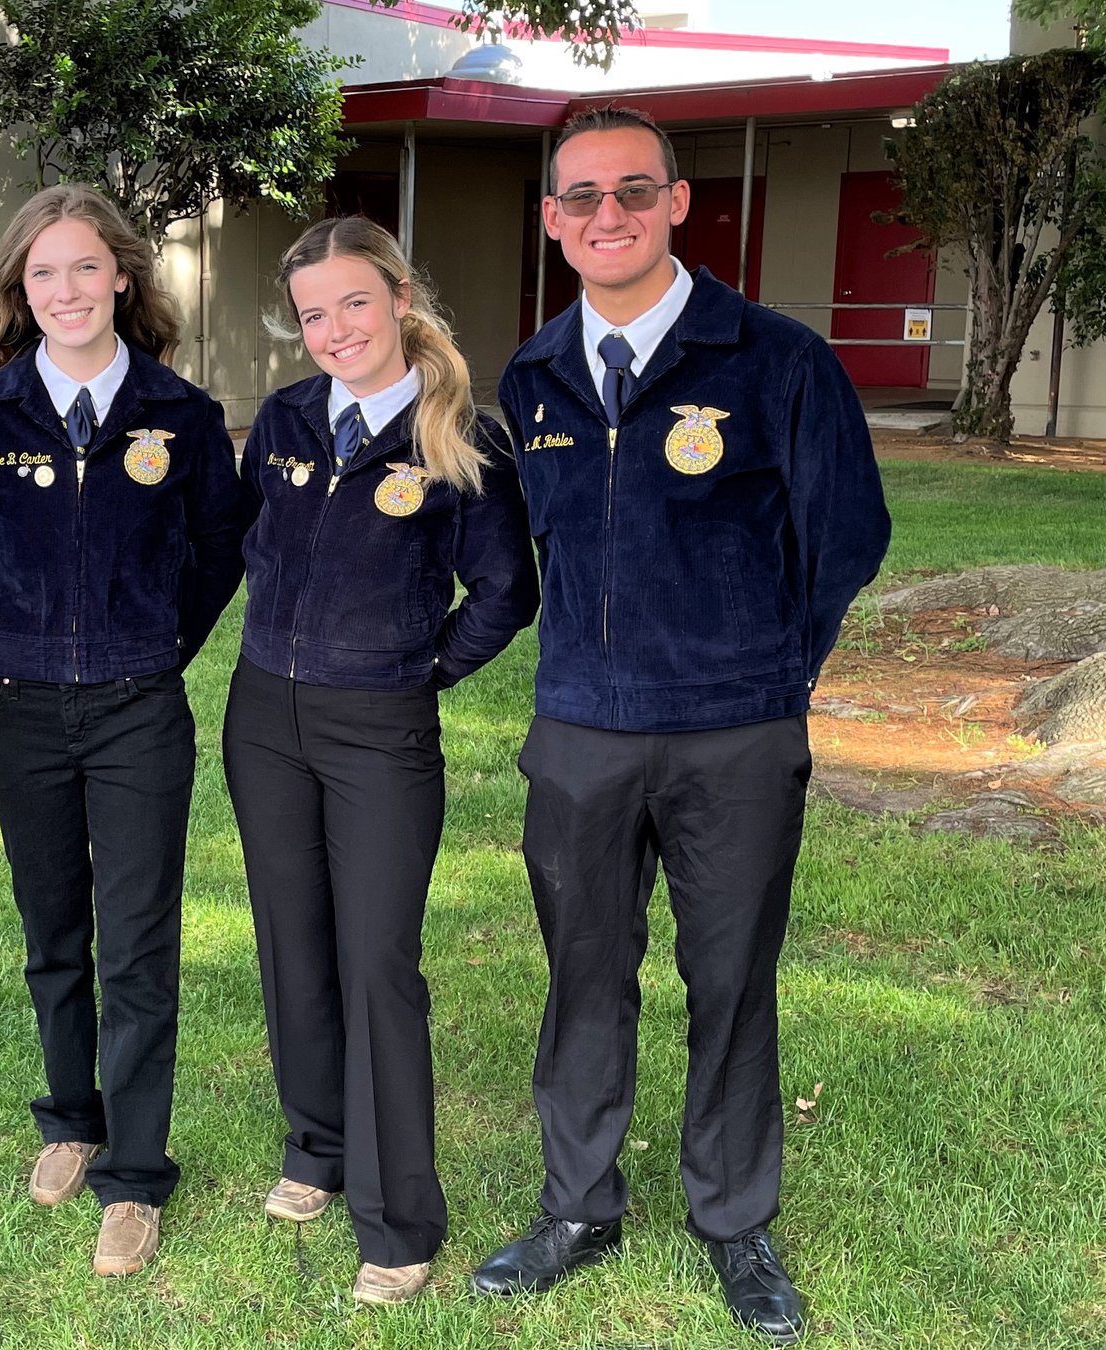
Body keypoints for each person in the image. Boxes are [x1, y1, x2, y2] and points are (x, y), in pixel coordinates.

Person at [469, 107, 890, 1345]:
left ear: (678, 204)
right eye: (583, 198)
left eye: (634, 193)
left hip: (735, 735)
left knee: (729, 979)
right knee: (585, 979)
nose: (610, 216)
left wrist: (763, 669)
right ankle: (578, 1207)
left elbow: (845, 537)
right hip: (583, 733)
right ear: (552, 218)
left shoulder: (775, 359)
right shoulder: (533, 372)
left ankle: (734, 1222)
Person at [0, 184, 247, 1277]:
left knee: (140, 946)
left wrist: (148, 643)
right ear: (22, 291)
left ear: (122, 276)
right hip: (21, 710)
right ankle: (73, 1118)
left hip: (137, 711)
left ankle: (135, 1174)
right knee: (54, 933)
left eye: (83, 267)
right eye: (41, 273)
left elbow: (216, 558)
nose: (64, 289)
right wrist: (12, 638)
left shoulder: (184, 418)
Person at [224, 216, 538, 1306]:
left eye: (354, 303)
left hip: (380, 734)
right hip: (264, 717)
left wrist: (421, 669)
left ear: (400, 299)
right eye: (313, 314)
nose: (334, 330)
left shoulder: (459, 435)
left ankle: (399, 1217)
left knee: (376, 966)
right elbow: (243, 543)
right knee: (293, 945)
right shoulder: (284, 420)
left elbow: (507, 591)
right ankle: (315, 1143)